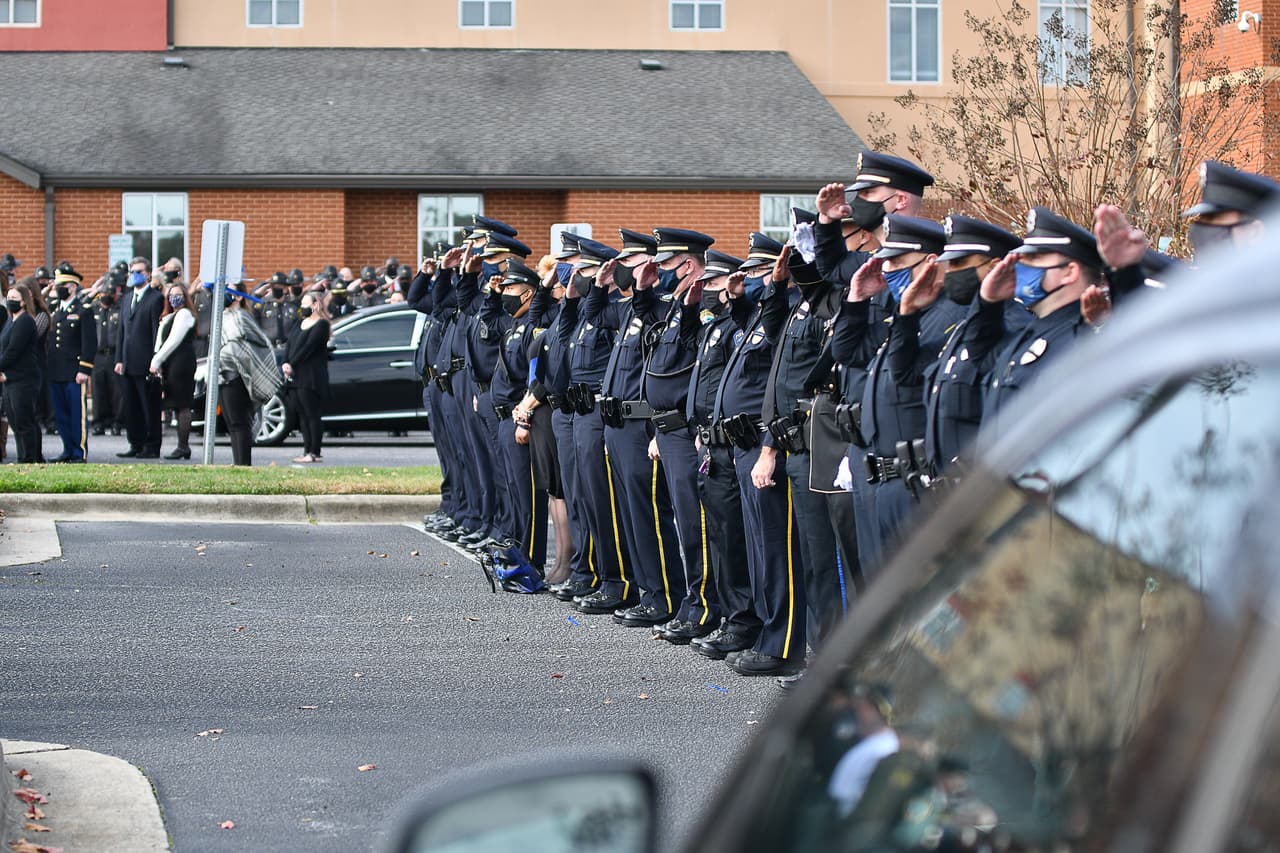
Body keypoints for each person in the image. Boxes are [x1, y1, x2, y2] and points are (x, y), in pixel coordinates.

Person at [217, 287, 278, 466]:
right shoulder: (222, 317)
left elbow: (248, 347)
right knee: (232, 423)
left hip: (239, 375)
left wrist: (226, 354)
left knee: (241, 423)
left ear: (238, 296)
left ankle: (244, 464)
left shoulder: (242, 316)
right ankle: (238, 464)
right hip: (223, 375)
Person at [46, 264, 97, 463]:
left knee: (77, 414)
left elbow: (89, 343)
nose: (58, 288)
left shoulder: (83, 311)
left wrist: (84, 368)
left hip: (75, 372)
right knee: (61, 415)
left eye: (62, 284)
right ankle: (67, 448)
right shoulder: (54, 311)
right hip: (56, 371)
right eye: (57, 285)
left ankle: (79, 451)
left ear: (73, 286)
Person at [115, 256, 165, 458]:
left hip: (146, 363)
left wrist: (156, 360)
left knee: (149, 406)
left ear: (148, 274)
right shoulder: (127, 298)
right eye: (132, 271)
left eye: (138, 271)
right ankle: (135, 443)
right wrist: (119, 359)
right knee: (131, 406)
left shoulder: (155, 298)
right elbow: (121, 331)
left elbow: (156, 332)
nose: (134, 274)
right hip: (127, 361)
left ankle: (151, 446)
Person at [283, 291, 331, 463]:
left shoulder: (321, 325)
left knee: (312, 413)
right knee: (302, 414)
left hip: (310, 375)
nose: (302, 307)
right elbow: (290, 344)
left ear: (315, 305)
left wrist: (292, 363)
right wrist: (285, 362)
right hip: (296, 375)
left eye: (305, 304)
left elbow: (308, 348)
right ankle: (306, 450)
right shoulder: (299, 323)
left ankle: (314, 451)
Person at [151, 281, 198, 460]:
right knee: (176, 404)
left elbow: (173, 340)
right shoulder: (169, 316)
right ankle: (182, 446)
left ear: (185, 297)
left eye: (178, 294)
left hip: (181, 362)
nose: (174, 298)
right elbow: (160, 341)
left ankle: (183, 446)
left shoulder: (185, 314)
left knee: (182, 404)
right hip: (171, 362)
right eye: (171, 295)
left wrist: (157, 360)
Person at [0, 281, 44, 462]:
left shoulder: (25, 321)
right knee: (16, 422)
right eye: (9, 298)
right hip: (11, 380)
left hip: (24, 380)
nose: (10, 301)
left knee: (24, 422)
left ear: (24, 301)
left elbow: (13, 351)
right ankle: (23, 458)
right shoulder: (11, 320)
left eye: (14, 298)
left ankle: (29, 460)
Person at [91, 279, 124, 436]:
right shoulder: (93, 310)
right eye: (104, 293)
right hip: (97, 355)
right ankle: (99, 422)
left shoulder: (118, 310)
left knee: (116, 391)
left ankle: (116, 422)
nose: (106, 296)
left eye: (109, 293)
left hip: (113, 354)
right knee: (98, 391)